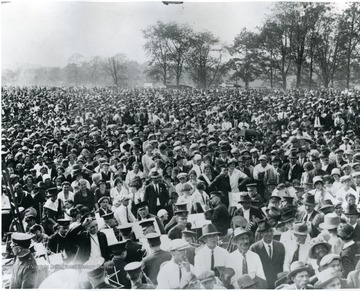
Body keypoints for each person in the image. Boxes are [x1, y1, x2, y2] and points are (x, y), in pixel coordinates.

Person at [250, 218, 286, 288]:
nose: (269, 234)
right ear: (261, 234)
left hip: (278, 284)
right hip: (263, 284)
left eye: (271, 231)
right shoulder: (254, 248)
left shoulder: (280, 246)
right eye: (266, 232)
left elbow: (282, 264)